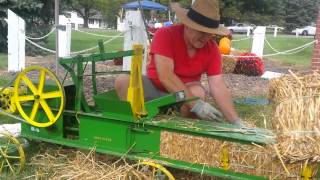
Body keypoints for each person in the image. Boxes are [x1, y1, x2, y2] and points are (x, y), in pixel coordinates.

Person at [115, 0, 242, 125]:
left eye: (209, 33)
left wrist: (235, 121)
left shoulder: (212, 49)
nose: (205, 37)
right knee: (123, 81)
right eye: (201, 31)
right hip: (155, 90)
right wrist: (196, 105)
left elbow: (217, 85)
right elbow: (166, 76)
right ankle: (134, 125)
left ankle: (182, 134)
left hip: (184, 96)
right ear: (188, 24)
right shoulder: (165, 35)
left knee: (197, 93)